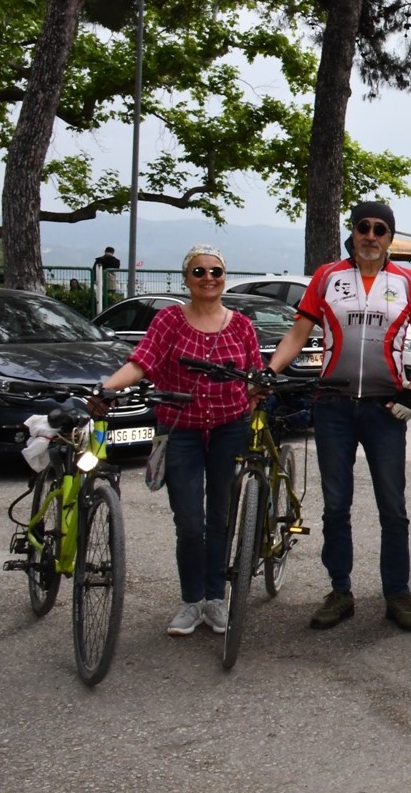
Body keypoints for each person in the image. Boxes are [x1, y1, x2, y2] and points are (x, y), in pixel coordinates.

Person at [268, 201, 411, 632]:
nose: (372, 236)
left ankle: (397, 593)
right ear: (353, 232)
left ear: (390, 237)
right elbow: (298, 334)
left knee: (393, 508)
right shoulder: (327, 277)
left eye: (381, 229)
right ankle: (340, 590)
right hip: (333, 405)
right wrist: (268, 373)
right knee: (336, 506)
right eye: (364, 227)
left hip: (385, 408)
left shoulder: (408, 282)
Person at [101, 244, 262, 636]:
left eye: (216, 272)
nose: (208, 278)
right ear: (186, 279)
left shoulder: (241, 324)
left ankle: (216, 599)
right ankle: (192, 601)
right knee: (189, 521)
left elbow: (255, 374)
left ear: (225, 277)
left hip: (230, 427)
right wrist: (105, 389)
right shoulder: (169, 321)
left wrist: (261, 392)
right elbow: (141, 362)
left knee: (221, 517)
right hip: (180, 430)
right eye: (199, 272)